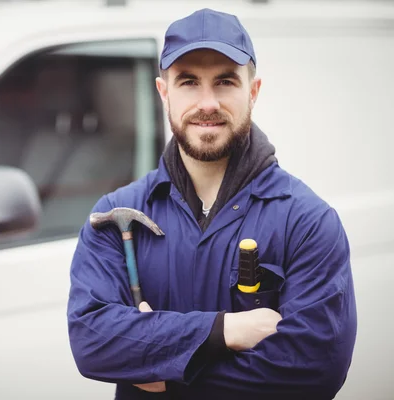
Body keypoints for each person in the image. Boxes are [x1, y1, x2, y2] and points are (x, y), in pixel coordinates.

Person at [66, 7, 357, 400]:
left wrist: (160, 363)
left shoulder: (306, 221)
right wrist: (228, 331)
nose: (207, 103)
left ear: (252, 92)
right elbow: (91, 342)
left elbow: (315, 368)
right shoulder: (114, 217)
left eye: (224, 82)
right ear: (164, 92)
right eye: (188, 82)